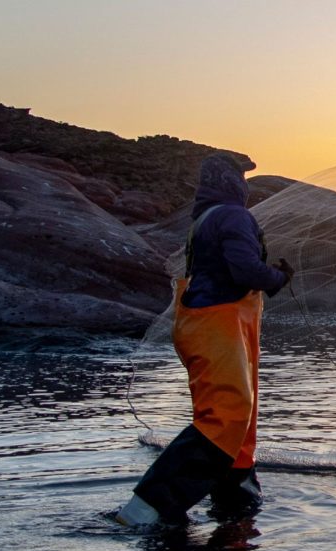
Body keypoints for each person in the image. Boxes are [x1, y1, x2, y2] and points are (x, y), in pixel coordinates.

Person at [115, 153, 293, 526]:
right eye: (240, 176)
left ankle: (236, 496)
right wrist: (276, 278)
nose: (245, 184)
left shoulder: (206, 218)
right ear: (229, 181)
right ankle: (146, 508)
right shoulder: (232, 215)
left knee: (241, 413)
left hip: (212, 324)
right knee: (227, 413)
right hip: (217, 325)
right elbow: (243, 268)